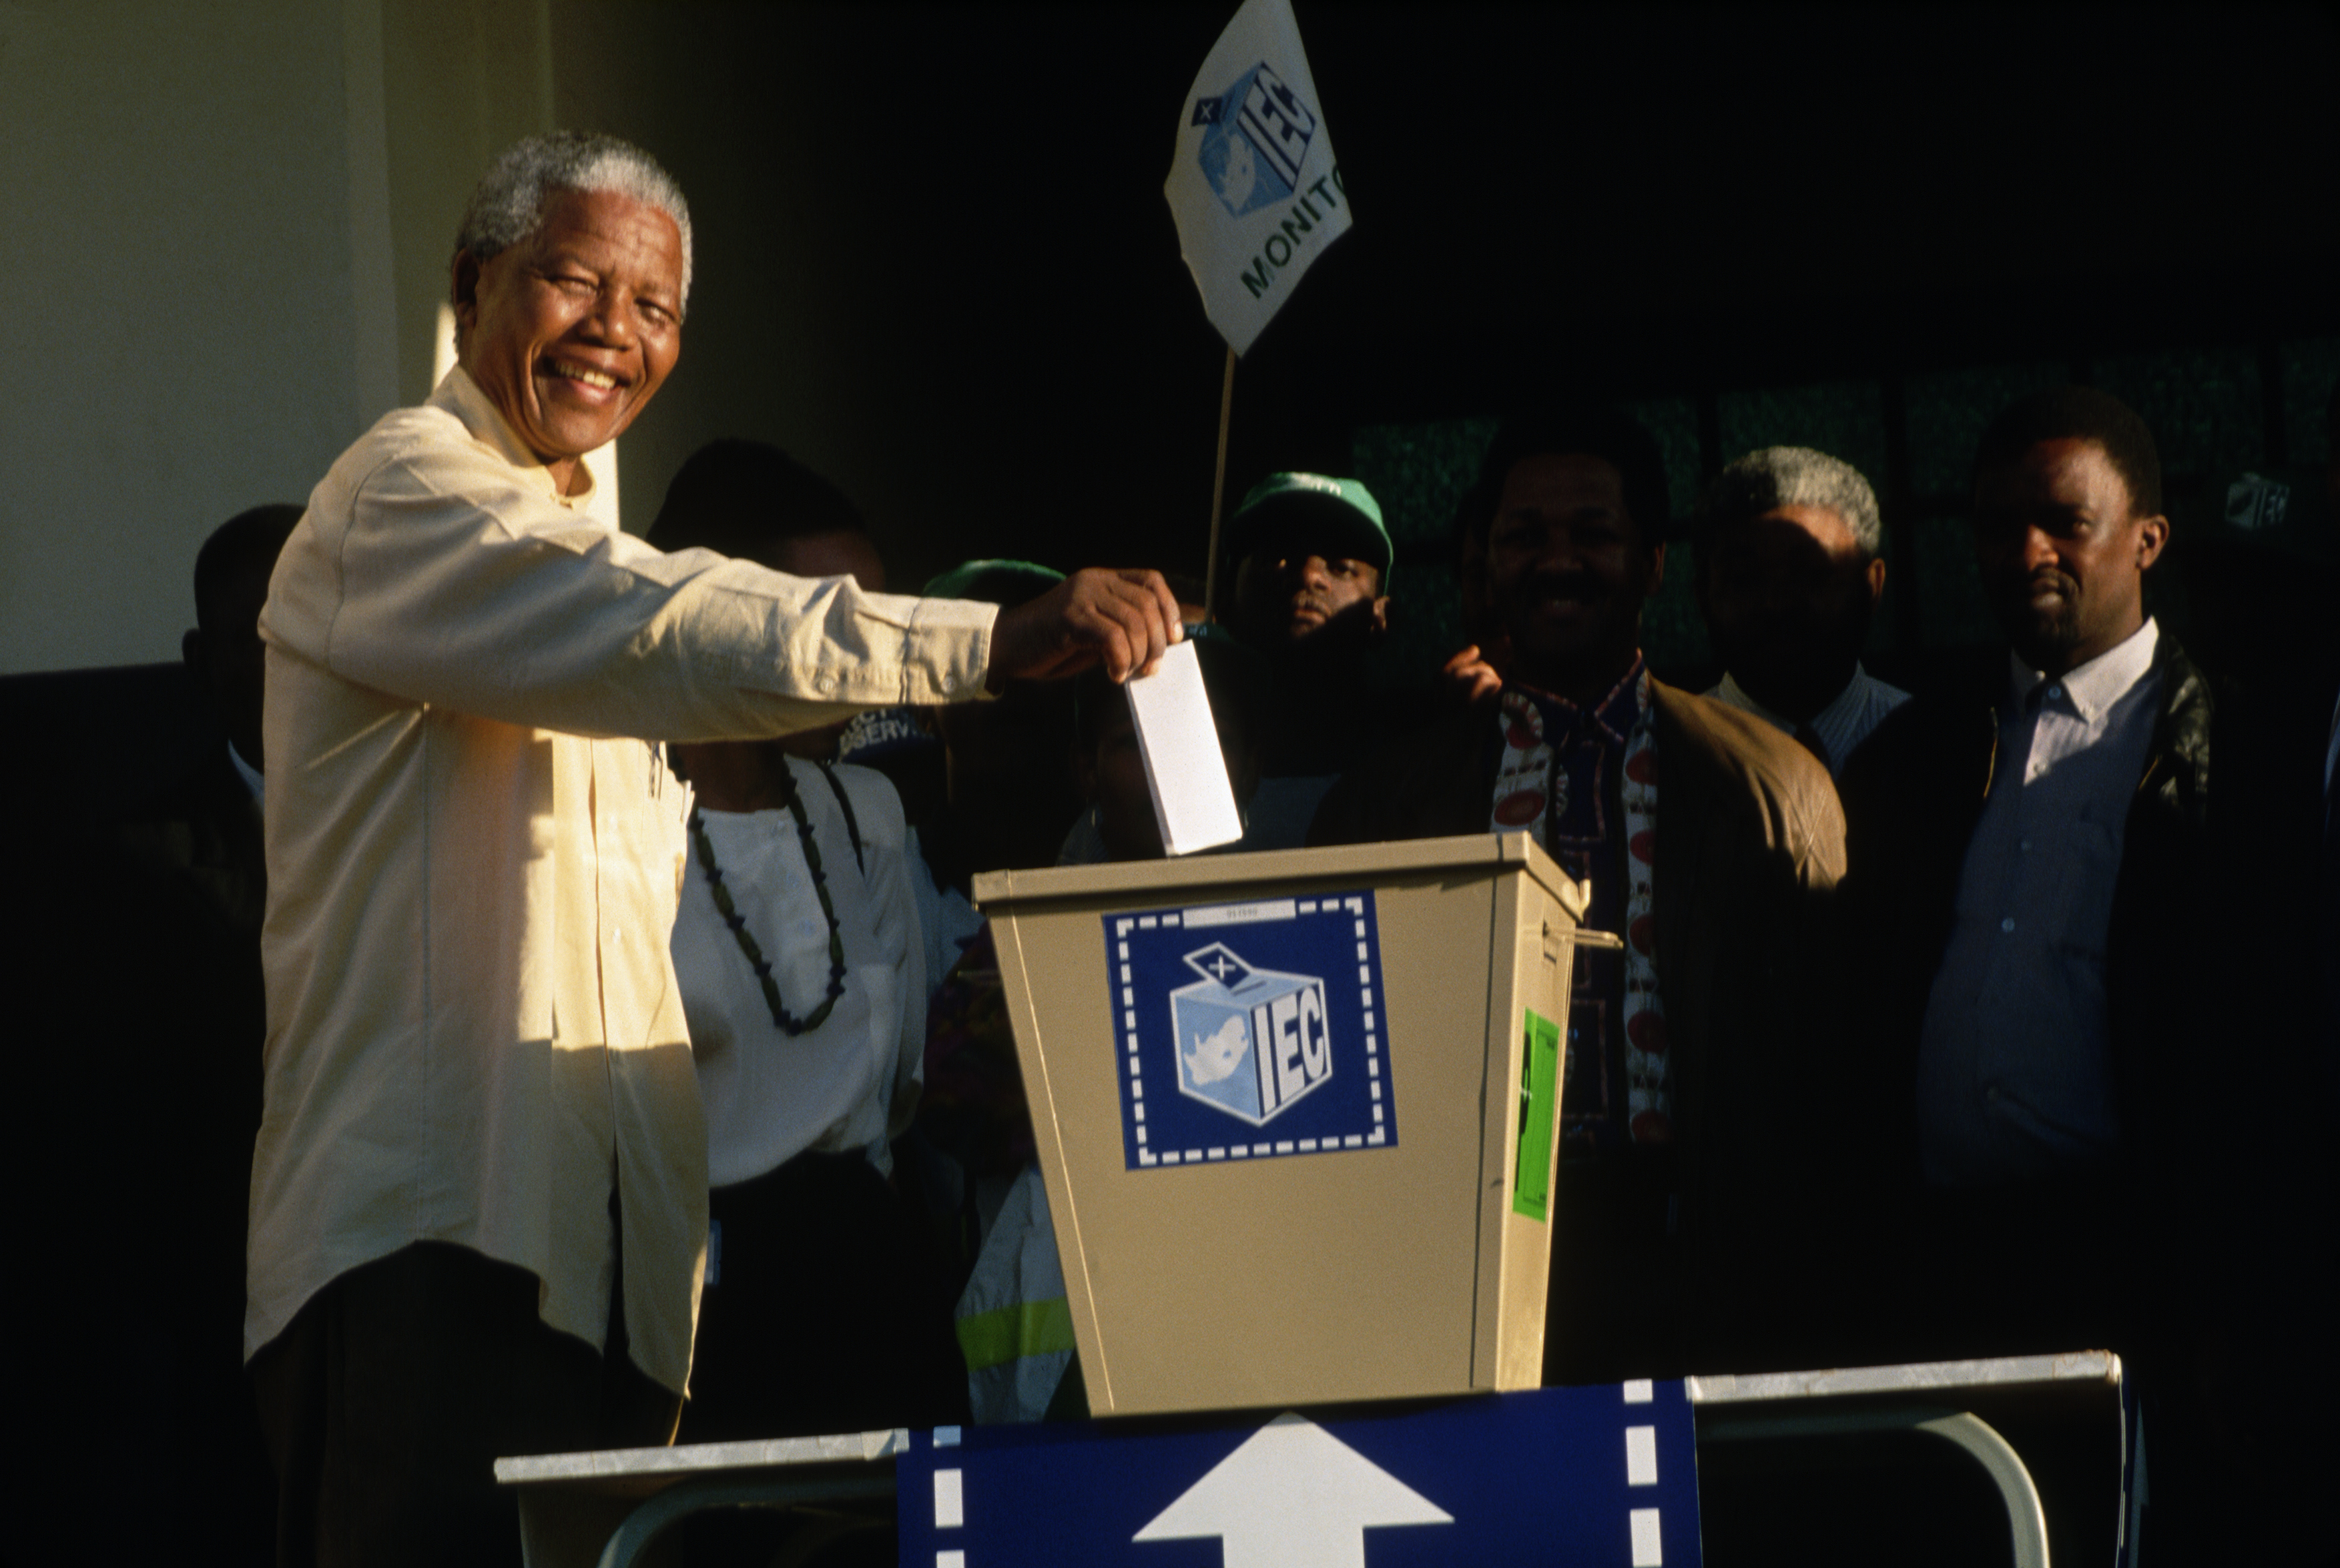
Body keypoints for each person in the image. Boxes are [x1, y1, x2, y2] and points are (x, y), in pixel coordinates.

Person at [244, 131, 1179, 1567]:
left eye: (658, 307)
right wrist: (985, 638)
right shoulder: (409, 492)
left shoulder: (558, 538)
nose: (617, 332)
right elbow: (665, 625)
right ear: (471, 283)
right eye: (574, 281)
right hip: (430, 1249)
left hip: (603, 1284)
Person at [1311, 405, 1844, 1382]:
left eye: (1592, 534)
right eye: (1525, 536)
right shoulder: (1382, 803)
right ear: (1483, 565)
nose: (1558, 560)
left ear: (1650, 561)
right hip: (1464, 1282)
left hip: (1709, 1276)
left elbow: (1819, 1071)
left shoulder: (1774, 785)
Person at [1839, 386, 2205, 1358]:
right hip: (1936, 1262)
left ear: (2147, 540)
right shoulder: (1916, 752)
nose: (2028, 550)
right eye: (1999, 527)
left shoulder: (2224, 754)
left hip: (2137, 1257)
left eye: (2065, 523)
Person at [641, 440, 965, 1442]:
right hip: (707, 1323)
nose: (867, 659)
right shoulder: (622, 824)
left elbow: (900, 1081)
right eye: (836, 623)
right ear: (724, 617)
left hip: (875, 1303)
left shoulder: (865, 810)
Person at [1695, 446, 1907, 775]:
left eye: (1814, 574)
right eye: (1745, 579)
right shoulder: (1657, 762)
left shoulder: (1939, 751)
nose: (1778, 604)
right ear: (1703, 596)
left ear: (1872, 587)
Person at [1216, 472, 1395, 847]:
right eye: (1274, 557)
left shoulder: (1417, 770)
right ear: (1226, 601)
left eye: (1341, 566)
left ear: (1380, 616)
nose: (1308, 575)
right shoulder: (1173, 768)